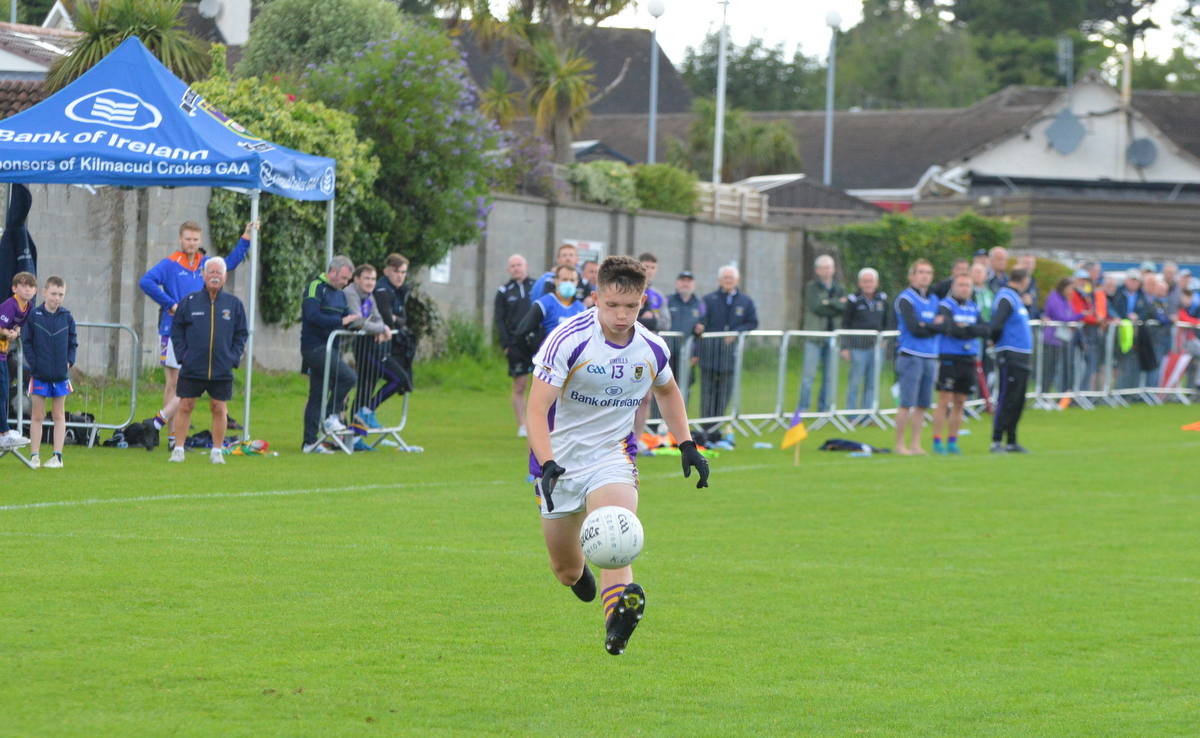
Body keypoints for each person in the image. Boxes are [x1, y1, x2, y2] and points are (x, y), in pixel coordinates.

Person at [525, 255, 710, 656]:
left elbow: (668, 391)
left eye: (631, 306)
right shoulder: (567, 339)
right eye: (612, 305)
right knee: (566, 569)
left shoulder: (651, 347)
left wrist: (687, 444)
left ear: (643, 301)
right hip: (558, 462)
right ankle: (580, 577)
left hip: (612, 457)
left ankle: (616, 625)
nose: (621, 315)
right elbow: (536, 410)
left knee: (615, 528)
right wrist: (547, 461)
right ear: (596, 297)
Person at [138, 221, 255, 451]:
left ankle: (163, 429)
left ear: (200, 241)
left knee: (185, 385)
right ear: (180, 240)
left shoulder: (205, 263)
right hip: (172, 329)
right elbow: (146, 281)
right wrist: (170, 304)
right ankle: (170, 436)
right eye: (187, 239)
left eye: (195, 239)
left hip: (199, 333)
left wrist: (246, 239)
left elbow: (229, 263)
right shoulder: (170, 263)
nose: (191, 243)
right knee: (174, 384)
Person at [168, 258, 249, 464]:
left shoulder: (234, 304)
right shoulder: (190, 301)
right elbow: (176, 331)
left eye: (219, 273)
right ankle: (178, 449)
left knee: (219, 408)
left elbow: (241, 334)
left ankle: (217, 451)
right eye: (211, 272)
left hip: (221, 368)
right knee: (185, 405)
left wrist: (233, 357)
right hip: (192, 366)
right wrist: (183, 356)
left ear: (225, 277)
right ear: (204, 275)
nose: (214, 276)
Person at [300, 256, 359, 454]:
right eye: (343, 278)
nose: (346, 283)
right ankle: (330, 415)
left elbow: (345, 318)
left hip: (331, 348)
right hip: (314, 347)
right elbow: (312, 315)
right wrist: (340, 322)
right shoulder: (316, 287)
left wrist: (356, 323)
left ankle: (310, 443)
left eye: (348, 280)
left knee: (317, 394)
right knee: (348, 377)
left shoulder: (340, 295)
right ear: (333, 272)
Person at [930, 274, 989, 455]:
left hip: (968, 357)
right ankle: (937, 441)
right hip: (949, 356)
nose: (964, 288)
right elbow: (950, 328)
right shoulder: (945, 305)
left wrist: (967, 328)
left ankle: (953, 441)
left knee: (961, 401)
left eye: (967, 286)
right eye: (961, 285)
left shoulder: (973, 307)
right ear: (954, 287)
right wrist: (966, 330)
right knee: (944, 399)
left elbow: (985, 329)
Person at [23, 276, 78, 467]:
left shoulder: (67, 317)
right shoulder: (34, 315)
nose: (57, 298)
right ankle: (34, 456)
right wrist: (34, 363)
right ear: (44, 292)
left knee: (58, 415)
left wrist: (69, 362)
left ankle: (57, 456)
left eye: (61, 294)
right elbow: (27, 341)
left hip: (60, 376)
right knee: (37, 415)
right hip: (40, 374)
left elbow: (73, 343)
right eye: (53, 293)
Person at [699, 265, 757, 443]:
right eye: (725, 278)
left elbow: (752, 322)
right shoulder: (708, 299)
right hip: (709, 354)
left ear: (737, 280)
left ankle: (717, 427)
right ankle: (706, 430)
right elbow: (700, 321)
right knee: (708, 393)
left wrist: (737, 332)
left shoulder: (745, 302)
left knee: (724, 393)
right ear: (719, 280)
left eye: (731, 278)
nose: (728, 281)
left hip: (730, 356)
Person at [893, 259, 943, 456]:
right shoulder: (905, 299)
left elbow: (944, 325)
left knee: (923, 404)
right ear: (912, 275)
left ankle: (915, 444)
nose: (925, 276)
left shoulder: (934, 300)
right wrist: (932, 326)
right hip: (911, 354)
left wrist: (927, 326)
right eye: (921, 272)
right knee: (906, 403)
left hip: (930, 355)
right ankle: (899, 444)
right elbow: (915, 329)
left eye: (928, 272)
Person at [344, 265, 397, 445]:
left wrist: (380, 328)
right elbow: (358, 322)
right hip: (352, 346)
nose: (370, 282)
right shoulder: (350, 293)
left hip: (369, 343)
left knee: (366, 387)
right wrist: (382, 329)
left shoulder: (369, 296)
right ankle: (356, 427)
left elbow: (377, 318)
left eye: (373, 279)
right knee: (361, 388)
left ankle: (357, 436)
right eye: (367, 278)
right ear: (356, 279)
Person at [989, 268, 1034, 453]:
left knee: (1018, 400)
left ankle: (1012, 440)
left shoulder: (1016, 298)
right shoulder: (1006, 297)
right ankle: (997, 440)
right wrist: (995, 341)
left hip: (1021, 354)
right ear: (1025, 279)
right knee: (1007, 398)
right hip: (1010, 354)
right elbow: (997, 323)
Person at [495, 254, 537, 437]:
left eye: (519, 264)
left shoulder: (537, 286)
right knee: (519, 386)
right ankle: (522, 425)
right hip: (515, 344)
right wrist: (506, 344)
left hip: (536, 342)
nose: (516, 268)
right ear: (508, 269)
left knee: (540, 385)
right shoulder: (503, 291)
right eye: (512, 266)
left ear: (526, 265)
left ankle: (539, 422)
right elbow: (499, 320)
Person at [371, 253, 416, 421]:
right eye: (397, 271)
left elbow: (403, 319)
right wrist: (395, 320)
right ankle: (367, 412)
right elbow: (389, 320)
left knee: (395, 381)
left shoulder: (399, 291)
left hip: (386, 347)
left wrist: (396, 319)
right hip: (373, 346)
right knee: (398, 379)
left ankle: (358, 432)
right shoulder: (382, 290)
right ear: (386, 271)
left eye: (403, 272)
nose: (400, 276)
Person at [798, 255, 846, 414]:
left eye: (830, 267)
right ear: (817, 270)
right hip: (815, 337)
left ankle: (824, 408)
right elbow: (817, 307)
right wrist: (835, 304)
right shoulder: (812, 287)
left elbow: (844, 307)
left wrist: (829, 303)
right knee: (808, 376)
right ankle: (803, 408)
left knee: (829, 376)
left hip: (833, 337)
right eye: (824, 268)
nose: (827, 270)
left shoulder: (839, 287)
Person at [632, 253, 670, 446]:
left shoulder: (658, 296)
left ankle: (636, 440)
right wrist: (643, 318)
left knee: (645, 397)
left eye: (653, 267)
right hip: (627, 347)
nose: (649, 271)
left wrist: (649, 319)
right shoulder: (629, 289)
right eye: (645, 266)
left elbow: (666, 321)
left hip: (647, 351)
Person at [841, 267, 890, 417]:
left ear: (876, 283)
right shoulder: (853, 300)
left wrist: (886, 339)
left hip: (876, 347)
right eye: (865, 281)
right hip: (858, 347)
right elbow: (845, 324)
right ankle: (851, 415)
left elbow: (887, 321)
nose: (868, 284)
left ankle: (868, 415)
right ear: (860, 283)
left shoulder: (882, 298)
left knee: (872, 383)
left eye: (871, 281)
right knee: (855, 382)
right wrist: (845, 347)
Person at [0, 271, 36, 448]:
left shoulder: (28, 307)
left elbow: (21, 328)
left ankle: (4, 431)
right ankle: (4, 433)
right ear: (14, 288)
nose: (27, 289)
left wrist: (16, 333)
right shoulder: (10, 305)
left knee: (4, 392)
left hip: (3, 353)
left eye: (31, 286)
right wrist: (9, 334)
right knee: (1, 392)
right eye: (23, 285)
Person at [515, 264, 587, 349]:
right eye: (564, 280)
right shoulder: (543, 304)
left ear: (577, 283)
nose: (568, 283)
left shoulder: (581, 308)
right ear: (556, 281)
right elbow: (522, 332)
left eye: (572, 280)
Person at [667, 271, 706, 401]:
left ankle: (680, 421)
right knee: (663, 387)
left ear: (693, 284)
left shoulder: (699, 305)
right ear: (676, 283)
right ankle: (657, 421)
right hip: (668, 353)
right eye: (683, 280)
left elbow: (703, 327)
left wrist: (698, 353)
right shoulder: (668, 301)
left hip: (687, 355)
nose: (685, 284)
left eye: (688, 281)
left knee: (684, 388)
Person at [1041, 277, 1083, 395]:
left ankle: (1056, 395)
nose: (1071, 291)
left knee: (1057, 369)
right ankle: (1044, 394)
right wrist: (1080, 316)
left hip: (1061, 338)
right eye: (1070, 288)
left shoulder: (1065, 299)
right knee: (1049, 369)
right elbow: (1062, 317)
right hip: (1052, 338)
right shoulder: (1055, 298)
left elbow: (1068, 314)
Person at [1016, 254, 1040, 319]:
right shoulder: (1014, 283)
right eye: (1026, 263)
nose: (1028, 266)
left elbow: (1035, 307)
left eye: (1030, 263)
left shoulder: (1033, 282)